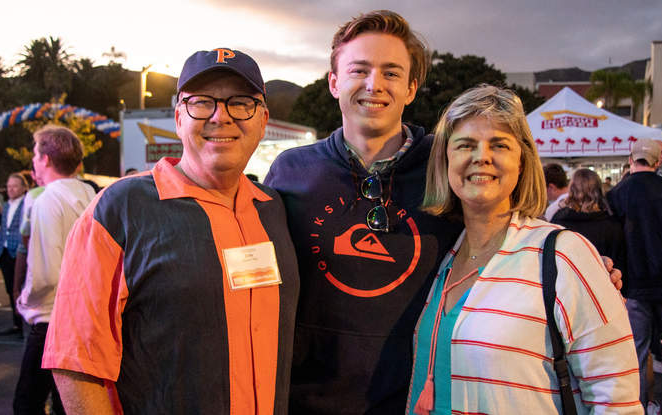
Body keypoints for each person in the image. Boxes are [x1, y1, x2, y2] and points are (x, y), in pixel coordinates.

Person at [265, 11, 622, 413]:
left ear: (412, 87)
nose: (374, 85)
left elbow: (503, 228)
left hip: (419, 401)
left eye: (391, 73)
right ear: (334, 82)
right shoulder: (291, 172)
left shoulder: (445, 164)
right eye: (359, 70)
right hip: (310, 402)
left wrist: (577, 276)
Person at [43, 48, 299, 414]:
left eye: (240, 103)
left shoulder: (274, 210)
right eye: (201, 103)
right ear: (178, 117)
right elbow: (75, 362)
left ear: (262, 120)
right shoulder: (121, 209)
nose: (220, 116)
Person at [406, 84, 639, 414]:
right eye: (465, 145)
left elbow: (615, 396)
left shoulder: (563, 255)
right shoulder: (442, 254)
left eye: (499, 145)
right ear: (446, 161)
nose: (481, 156)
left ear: (522, 162)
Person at [606, 137, 662, 411]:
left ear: (631, 160)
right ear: (658, 161)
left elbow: (613, 245)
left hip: (633, 286)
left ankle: (642, 405)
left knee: (636, 352)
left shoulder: (615, 195)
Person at [13, 125, 97, 414]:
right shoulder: (89, 193)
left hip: (52, 321)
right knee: (68, 403)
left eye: (36, 155)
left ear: (46, 159)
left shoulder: (47, 198)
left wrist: (24, 300)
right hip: (86, 319)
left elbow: (45, 273)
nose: (34, 162)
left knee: (28, 403)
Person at [552, 168, 626, 274]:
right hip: (602, 285)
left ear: (571, 189)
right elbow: (619, 266)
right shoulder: (612, 225)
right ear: (599, 190)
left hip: (567, 285)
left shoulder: (559, 221)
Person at [0, 173, 28, 338]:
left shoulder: (27, 203)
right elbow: (3, 228)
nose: (11, 189)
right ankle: (16, 324)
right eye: (8, 186)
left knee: (20, 289)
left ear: (23, 187)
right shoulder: (6, 205)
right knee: (10, 288)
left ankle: (24, 324)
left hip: (19, 252)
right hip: (5, 251)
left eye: (14, 186)